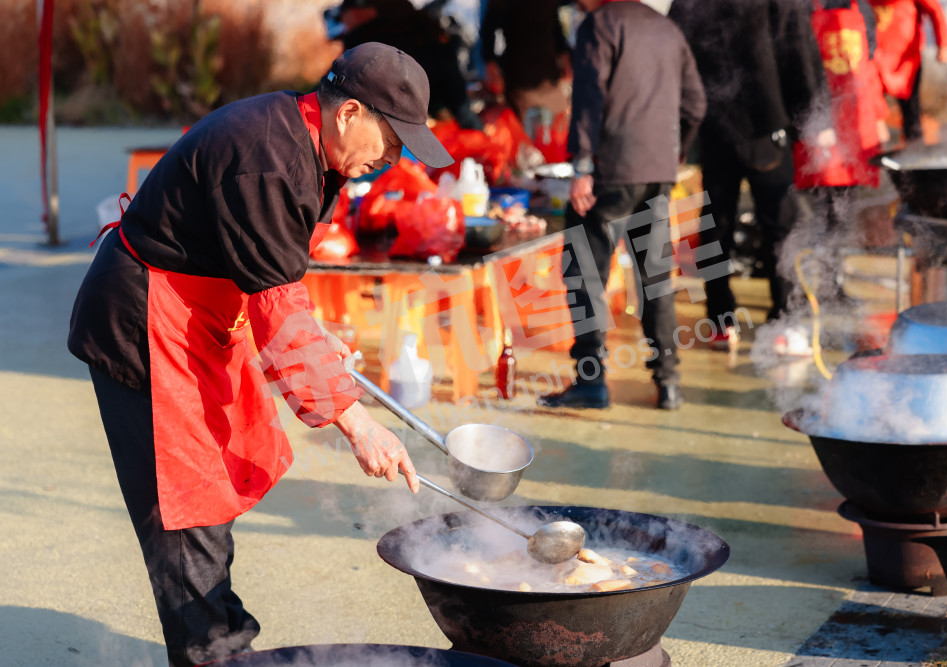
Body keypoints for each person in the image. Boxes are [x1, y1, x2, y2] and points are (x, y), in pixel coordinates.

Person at [67, 43, 453, 666]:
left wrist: (315, 335)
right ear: (349, 112)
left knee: (213, 488)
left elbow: (270, 278)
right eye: (390, 138)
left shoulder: (305, 139)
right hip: (147, 322)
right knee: (186, 503)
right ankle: (214, 654)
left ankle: (223, 641)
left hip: (203, 316)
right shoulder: (269, 158)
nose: (392, 157)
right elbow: (274, 300)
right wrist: (357, 423)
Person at [537, 0, 706, 410]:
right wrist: (675, 152)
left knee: (584, 272)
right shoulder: (667, 30)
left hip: (610, 170)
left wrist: (580, 166)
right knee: (654, 276)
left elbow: (589, 96)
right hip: (657, 170)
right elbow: (695, 104)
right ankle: (668, 382)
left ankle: (590, 380)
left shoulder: (601, 24)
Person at [669, 0, 836, 355]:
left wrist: (680, 122)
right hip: (765, 122)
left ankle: (719, 320)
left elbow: (674, 48)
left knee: (717, 222)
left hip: (715, 122)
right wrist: (812, 116)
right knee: (780, 225)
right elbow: (798, 48)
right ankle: (784, 322)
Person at [792, 0, 890, 305]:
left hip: (855, 120)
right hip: (822, 121)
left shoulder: (861, 8)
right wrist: (815, 121)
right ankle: (812, 285)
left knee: (844, 213)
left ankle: (833, 283)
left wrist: (878, 115)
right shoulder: (806, 8)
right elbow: (799, 67)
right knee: (824, 212)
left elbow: (869, 68)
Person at [324, 0, 484, 130]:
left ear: (359, 11)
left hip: (413, 114)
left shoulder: (366, 36)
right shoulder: (414, 22)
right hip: (416, 112)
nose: (344, 23)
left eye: (343, 17)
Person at [868, 0, 947, 142]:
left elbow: (935, 9)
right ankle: (874, 154)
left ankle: (915, 155)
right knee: (871, 112)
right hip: (875, 60)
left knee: (911, 113)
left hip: (907, 61)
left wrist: (943, 45)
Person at [480, 0, 573, 122]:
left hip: (550, 77)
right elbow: (488, 30)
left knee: (557, 130)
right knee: (527, 132)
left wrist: (566, 61)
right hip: (521, 79)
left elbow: (555, 27)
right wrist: (492, 68)